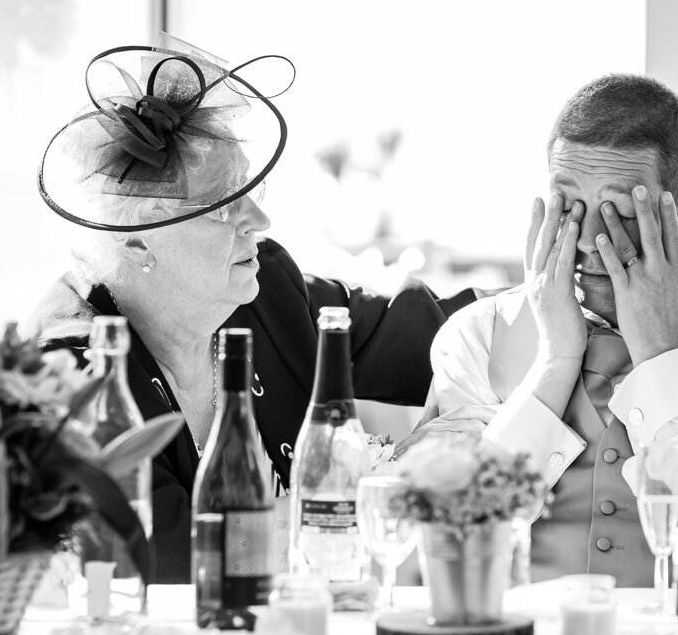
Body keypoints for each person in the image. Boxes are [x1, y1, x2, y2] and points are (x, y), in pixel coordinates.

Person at [25, 38, 478, 583]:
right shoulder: (73, 373)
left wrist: (561, 310)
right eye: (224, 206)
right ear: (140, 241)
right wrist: (390, 483)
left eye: (251, 189)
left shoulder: (264, 291)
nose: (259, 221)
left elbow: (428, 329)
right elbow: (157, 558)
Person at [412, 74, 678, 584]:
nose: (585, 241)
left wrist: (664, 358)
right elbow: (450, 540)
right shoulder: (476, 334)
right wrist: (554, 363)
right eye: (567, 206)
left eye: (619, 212)